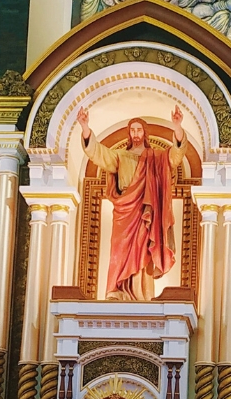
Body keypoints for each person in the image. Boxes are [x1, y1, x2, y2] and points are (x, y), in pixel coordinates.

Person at [77, 105, 188, 301]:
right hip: (124, 211)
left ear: (145, 133)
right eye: (132, 130)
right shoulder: (120, 156)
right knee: (118, 250)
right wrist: (85, 127)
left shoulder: (156, 157)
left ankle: (142, 294)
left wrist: (177, 128)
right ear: (129, 133)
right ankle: (116, 290)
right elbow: (98, 153)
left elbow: (175, 156)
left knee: (143, 250)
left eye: (139, 129)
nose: (136, 133)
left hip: (146, 210)